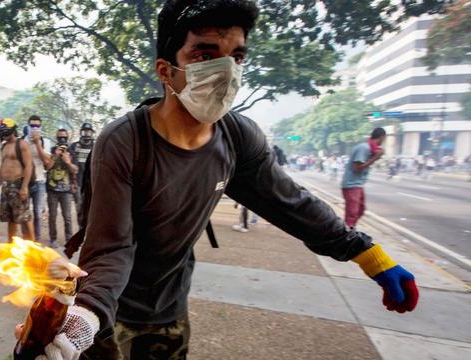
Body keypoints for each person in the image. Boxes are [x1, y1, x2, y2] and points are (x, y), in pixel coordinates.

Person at [21, 2, 419, 359]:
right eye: (205, 54)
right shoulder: (124, 141)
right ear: (166, 70)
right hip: (109, 309)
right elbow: (111, 246)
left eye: (237, 56)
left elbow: (291, 203)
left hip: (170, 305)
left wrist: (369, 256)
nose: (226, 71)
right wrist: (85, 317)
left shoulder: (237, 137)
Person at [0, 118, 35, 242]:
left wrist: (24, 187)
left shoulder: (21, 144)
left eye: (6, 131)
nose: (4, 134)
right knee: (10, 218)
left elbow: (28, 166)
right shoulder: (4, 147)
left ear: (13, 130)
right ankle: (11, 244)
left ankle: (33, 246)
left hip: (18, 185)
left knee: (24, 218)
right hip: (6, 187)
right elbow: (1, 169)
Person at [341, 128, 386, 228]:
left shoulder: (370, 149)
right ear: (382, 137)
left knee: (360, 209)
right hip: (351, 184)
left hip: (357, 184)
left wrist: (375, 156)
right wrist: (375, 158)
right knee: (352, 213)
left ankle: (348, 230)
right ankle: (347, 235)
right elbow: (356, 168)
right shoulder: (364, 148)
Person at [22, 115, 53, 244]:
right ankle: (25, 239)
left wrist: (37, 144)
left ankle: (36, 240)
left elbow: (47, 161)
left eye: (37, 126)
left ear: (41, 127)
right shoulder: (22, 141)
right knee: (24, 212)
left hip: (40, 181)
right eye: (32, 125)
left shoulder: (45, 142)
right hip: (25, 182)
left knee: (38, 213)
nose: (35, 128)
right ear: (27, 126)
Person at [45, 129, 78, 247]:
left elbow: (75, 170)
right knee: (52, 216)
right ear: (56, 138)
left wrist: (68, 162)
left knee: (67, 217)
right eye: (60, 137)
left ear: (67, 138)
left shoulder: (71, 152)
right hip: (52, 189)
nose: (62, 140)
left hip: (66, 190)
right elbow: (47, 167)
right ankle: (52, 239)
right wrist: (55, 156)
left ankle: (69, 239)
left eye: (64, 137)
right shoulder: (52, 151)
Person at [69, 122, 95, 218]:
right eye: (85, 132)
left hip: (91, 183)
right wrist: (72, 181)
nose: (87, 134)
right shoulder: (74, 146)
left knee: (91, 208)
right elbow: (70, 164)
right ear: (81, 133)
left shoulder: (95, 146)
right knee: (79, 208)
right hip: (78, 182)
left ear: (92, 133)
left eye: (88, 132)